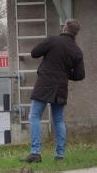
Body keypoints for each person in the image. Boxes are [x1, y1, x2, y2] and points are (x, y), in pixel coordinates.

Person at [22, 19, 85, 163]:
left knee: (35, 116)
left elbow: (34, 53)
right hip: (61, 86)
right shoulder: (77, 51)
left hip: (45, 83)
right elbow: (80, 75)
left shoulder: (52, 40)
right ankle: (60, 156)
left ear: (64, 29)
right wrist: (65, 74)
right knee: (58, 120)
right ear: (75, 33)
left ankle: (36, 153)